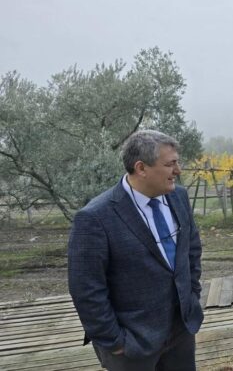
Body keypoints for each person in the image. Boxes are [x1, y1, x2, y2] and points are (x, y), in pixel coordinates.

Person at [68, 130, 204, 371]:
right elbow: (86, 289)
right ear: (141, 168)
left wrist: (191, 294)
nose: (178, 171)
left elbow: (191, 251)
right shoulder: (95, 218)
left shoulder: (179, 197)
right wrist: (115, 341)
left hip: (181, 330)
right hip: (131, 346)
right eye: (170, 164)